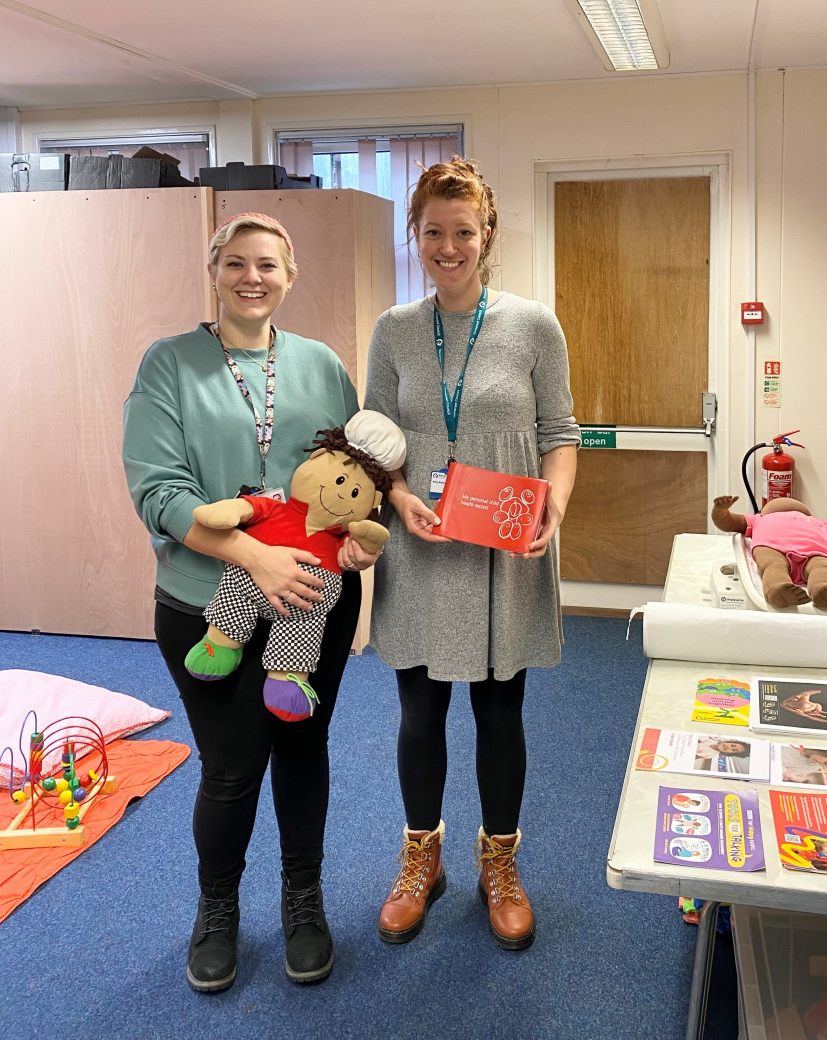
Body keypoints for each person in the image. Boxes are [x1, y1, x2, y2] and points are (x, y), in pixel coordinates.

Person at [123, 212, 378, 993]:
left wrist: (361, 540)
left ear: (289, 275)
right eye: (236, 262)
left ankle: (304, 901)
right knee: (232, 768)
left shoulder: (324, 365)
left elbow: (351, 475)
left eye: (267, 264)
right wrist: (252, 555)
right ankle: (218, 910)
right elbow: (158, 492)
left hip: (312, 600)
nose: (252, 277)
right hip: (207, 602)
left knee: (304, 747)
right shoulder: (169, 363)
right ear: (216, 270)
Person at [363, 156, 580, 951]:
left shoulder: (532, 324)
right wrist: (395, 495)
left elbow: (561, 433)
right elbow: (370, 441)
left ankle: (500, 861)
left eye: (463, 231)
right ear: (415, 236)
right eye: (433, 232)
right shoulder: (393, 328)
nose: (448, 247)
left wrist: (554, 500)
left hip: (502, 546)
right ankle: (423, 856)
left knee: (500, 709)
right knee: (419, 710)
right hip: (421, 544)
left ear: (487, 235)